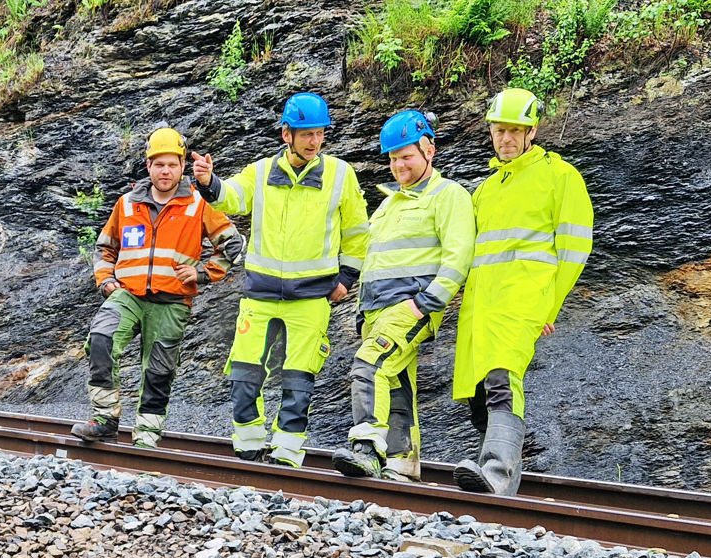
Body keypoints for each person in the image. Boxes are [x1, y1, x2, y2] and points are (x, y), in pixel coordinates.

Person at [192, 92, 369, 466]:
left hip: (311, 298)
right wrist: (210, 182)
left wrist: (347, 277)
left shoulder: (340, 175)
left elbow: (357, 232)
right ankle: (250, 444)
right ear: (286, 134)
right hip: (260, 294)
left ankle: (287, 454)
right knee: (243, 375)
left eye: (320, 133)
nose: (314, 141)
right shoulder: (260, 172)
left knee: (297, 380)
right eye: (306, 134)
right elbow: (233, 197)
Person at [452, 87, 593, 495]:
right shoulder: (485, 190)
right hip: (481, 307)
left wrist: (549, 306)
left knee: (501, 377)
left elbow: (575, 247)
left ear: (532, 132)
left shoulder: (559, 176)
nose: (506, 139)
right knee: (478, 394)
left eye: (516, 131)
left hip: (522, 300)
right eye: (500, 131)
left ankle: (495, 472)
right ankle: (502, 490)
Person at [74, 127, 243, 449]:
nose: (165, 171)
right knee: (100, 339)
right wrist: (106, 280)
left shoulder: (196, 204)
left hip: (172, 301)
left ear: (182, 167)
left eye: (172, 164)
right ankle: (105, 419)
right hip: (127, 294)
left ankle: (147, 437)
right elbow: (104, 248)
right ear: (148, 166)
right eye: (158, 164)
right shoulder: (126, 204)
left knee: (158, 370)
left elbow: (233, 245)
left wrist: (203, 274)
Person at [332, 110, 474, 482]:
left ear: (429, 150)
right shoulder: (388, 205)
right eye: (393, 158)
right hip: (376, 310)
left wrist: (425, 304)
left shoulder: (449, 196)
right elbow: (370, 259)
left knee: (370, 365)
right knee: (396, 382)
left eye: (405, 156)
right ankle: (402, 461)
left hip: (411, 306)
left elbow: (458, 259)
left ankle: (366, 447)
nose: (398, 164)